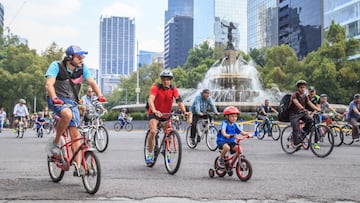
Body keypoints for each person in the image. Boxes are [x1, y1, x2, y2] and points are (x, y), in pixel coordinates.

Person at [45, 45, 106, 176]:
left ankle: (79, 167)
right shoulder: (56, 66)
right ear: (69, 57)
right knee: (67, 114)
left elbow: (92, 82)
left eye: (82, 56)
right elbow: (49, 84)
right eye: (79, 56)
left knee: (76, 135)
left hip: (72, 102)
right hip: (57, 100)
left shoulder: (82, 68)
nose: (82, 59)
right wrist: (54, 98)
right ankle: (56, 143)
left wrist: (100, 95)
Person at [145, 69, 189, 163]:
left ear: (171, 80)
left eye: (168, 80)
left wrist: (184, 112)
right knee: (153, 131)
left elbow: (179, 101)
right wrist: (154, 110)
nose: (166, 81)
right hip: (155, 114)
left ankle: (167, 151)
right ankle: (149, 152)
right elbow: (150, 100)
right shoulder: (156, 88)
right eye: (164, 80)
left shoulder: (173, 89)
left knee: (169, 134)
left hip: (166, 115)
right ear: (161, 80)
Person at [289, 80, 321, 148]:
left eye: (304, 87)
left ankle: (303, 133)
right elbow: (296, 103)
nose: (303, 89)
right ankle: (296, 142)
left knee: (311, 120)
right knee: (295, 126)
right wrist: (303, 108)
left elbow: (310, 103)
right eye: (301, 87)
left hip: (302, 113)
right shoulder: (294, 95)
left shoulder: (305, 96)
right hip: (294, 114)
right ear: (298, 88)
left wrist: (318, 109)